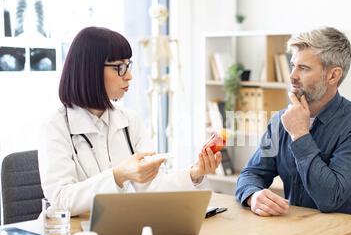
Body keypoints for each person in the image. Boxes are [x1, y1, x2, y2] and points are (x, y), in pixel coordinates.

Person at [235, 27, 351, 235]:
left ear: (333, 75)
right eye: (293, 65)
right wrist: (253, 195)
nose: (292, 76)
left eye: (304, 68)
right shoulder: (280, 121)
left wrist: (300, 134)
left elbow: (329, 198)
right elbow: (251, 173)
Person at [38, 26, 221, 216]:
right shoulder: (56, 126)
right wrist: (118, 175)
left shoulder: (130, 121)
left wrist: (195, 173)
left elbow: (152, 184)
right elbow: (60, 199)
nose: (129, 75)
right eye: (119, 67)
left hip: (122, 225)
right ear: (90, 70)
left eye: (128, 65)